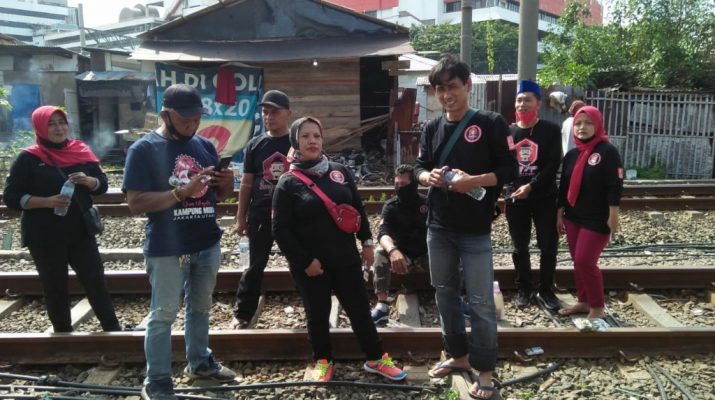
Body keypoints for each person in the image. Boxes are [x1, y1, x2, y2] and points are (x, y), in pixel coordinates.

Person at [123, 83, 237, 400]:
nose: (192, 124)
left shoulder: (204, 146)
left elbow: (217, 196)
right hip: (167, 247)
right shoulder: (143, 149)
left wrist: (226, 184)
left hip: (206, 241)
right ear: (165, 115)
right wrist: (181, 192)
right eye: (185, 118)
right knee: (163, 315)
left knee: (201, 308)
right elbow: (135, 202)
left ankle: (199, 362)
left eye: (196, 118)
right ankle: (157, 379)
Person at [272, 116, 407, 383]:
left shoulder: (339, 171)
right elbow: (280, 230)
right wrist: (304, 261)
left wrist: (367, 242)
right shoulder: (287, 182)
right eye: (305, 136)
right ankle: (323, 360)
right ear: (295, 142)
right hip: (312, 265)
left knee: (360, 310)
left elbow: (357, 208)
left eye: (316, 136)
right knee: (317, 314)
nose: (312, 141)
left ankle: (376, 358)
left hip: (345, 258)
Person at [415, 54, 517, 400]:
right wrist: (426, 176)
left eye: (453, 87)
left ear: (468, 86)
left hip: (475, 230)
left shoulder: (490, 123)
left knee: (481, 302)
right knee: (444, 294)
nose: (447, 95)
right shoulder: (431, 128)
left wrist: (474, 180)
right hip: (438, 227)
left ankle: (485, 370)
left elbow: (509, 170)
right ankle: (458, 356)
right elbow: (418, 167)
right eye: (440, 89)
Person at [3, 105, 121, 333]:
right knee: (54, 284)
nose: (58, 128)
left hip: (80, 231)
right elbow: (11, 197)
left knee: (95, 280)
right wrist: (46, 202)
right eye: (51, 124)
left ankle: (112, 328)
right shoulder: (28, 158)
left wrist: (90, 181)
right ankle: (63, 333)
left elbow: (102, 185)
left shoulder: (81, 151)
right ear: (40, 127)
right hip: (44, 235)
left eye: (61, 123)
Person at [231, 90, 292, 329]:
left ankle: (313, 305)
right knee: (255, 265)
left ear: (288, 113)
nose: (269, 117)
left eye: (275, 112)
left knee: (302, 262)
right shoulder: (255, 145)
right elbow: (246, 183)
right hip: (260, 215)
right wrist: (241, 217)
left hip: (292, 216)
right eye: (265, 112)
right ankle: (243, 312)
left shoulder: (296, 142)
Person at [556, 105, 623, 319]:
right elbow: (564, 186)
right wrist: (559, 213)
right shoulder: (572, 154)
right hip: (573, 216)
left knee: (585, 260)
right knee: (577, 261)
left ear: (598, 125)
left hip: (597, 218)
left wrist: (613, 215)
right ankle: (583, 301)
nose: (582, 127)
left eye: (588, 123)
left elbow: (614, 185)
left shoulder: (607, 151)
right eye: (578, 123)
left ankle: (597, 307)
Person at [505, 80, 563, 311]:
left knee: (548, 246)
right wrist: (508, 189)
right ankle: (524, 289)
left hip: (544, 197)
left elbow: (552, 165)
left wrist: (531, 186)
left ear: (538, 103)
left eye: (528, 100)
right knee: (519, 247)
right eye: (519, 100)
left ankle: (546, 290)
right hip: (516, 199)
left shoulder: (551, 130)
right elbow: (504, 164)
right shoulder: (509, 132)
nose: (522, 104)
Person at [370, 164, 429, 324]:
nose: (399, 188)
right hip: (403, 257)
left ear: (413, 184)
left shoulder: (427, 203)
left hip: (426, 255)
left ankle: (455, 299)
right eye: (397, 184)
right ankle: (382, 306)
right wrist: (392, 250)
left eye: (403, 184)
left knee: (451, 251)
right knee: (380, 252)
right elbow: (382, 233)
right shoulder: (391, 206)